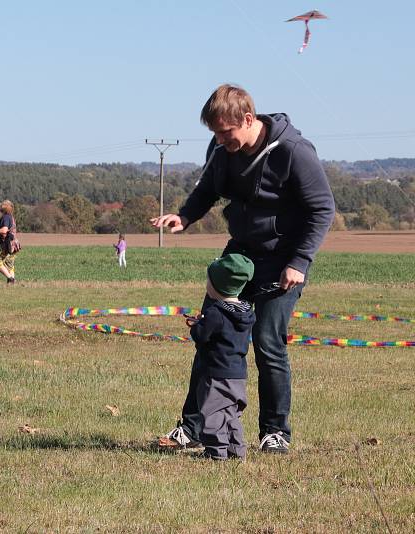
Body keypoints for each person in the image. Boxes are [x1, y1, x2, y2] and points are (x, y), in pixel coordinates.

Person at [152, 84, 335, 453]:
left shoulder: (293, 152)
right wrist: (185, 216)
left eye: (225, 131)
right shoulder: (222, 149)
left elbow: (322, 209)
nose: (220, 140)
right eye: (215, 133)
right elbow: (207, 189)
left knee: (268, 342)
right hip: (240, 256)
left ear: (248, 119)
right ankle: (192, 428)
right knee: (211, 337)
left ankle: (275, 432)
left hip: (283, 261)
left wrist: (299, 262)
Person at [164, 254, 256, 460]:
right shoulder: (247, 312)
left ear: (216, 286)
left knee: (212, 414)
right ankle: (236, 450)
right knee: (232, 415)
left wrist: (197, 325)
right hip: (238, 375)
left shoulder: (215, 312)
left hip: (216, 374)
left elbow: (201, 336)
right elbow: (225, 331)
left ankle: (216, 453)